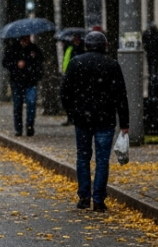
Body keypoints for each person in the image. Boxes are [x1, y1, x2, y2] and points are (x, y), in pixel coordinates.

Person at [60, 31, 129, 212]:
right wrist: (124, 123)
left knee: (83, 157)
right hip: (105, 119)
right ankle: (98, 200)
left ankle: (84, 197)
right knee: (102, 160)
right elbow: (121, 96)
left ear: (86, 45)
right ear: (105, 46)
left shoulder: (76, 63)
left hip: (82, 119)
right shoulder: (112, 65)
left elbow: (65, 91)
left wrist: (72, 112)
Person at [2, 34, 44, 136]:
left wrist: (35, 74)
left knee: (31, 103)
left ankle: (29, 125)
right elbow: (5, 63)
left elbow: (40, 62)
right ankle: (18, 128)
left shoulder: (34, 49)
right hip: (17, 81)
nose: (25, 40)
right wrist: (16, 64)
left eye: (27, 38)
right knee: (17, 105)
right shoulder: (13, 49)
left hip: (30, 82)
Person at [60, 32, 85, 126]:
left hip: (79, 76)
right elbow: (66, 60)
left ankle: (76, 117)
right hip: (71, 76)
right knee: (69, 98)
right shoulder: (70, 48)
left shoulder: (82, 49)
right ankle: (70, 117)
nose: (76, 40)